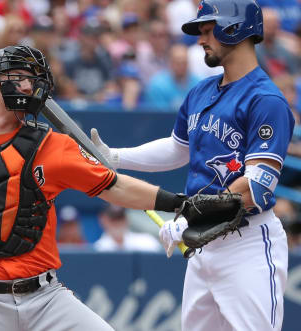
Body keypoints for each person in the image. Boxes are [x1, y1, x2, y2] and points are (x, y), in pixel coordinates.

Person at [0, 37, 191, 331]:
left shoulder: (53, 145)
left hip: (45, 298)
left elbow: (116, 187)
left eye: (32, 78)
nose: (30, 85)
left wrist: (181, 203)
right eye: (18, 76)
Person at [91, 1, 294, 330]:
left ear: (235, 27)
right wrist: (117, 157)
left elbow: (257, 184)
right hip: (204, 245)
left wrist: (191, 216)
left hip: (248, 244)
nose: (201, 39)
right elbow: (176, 149)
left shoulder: (265, 99)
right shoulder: (200, 92)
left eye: (207, 29)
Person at [93, 203, 161, 252]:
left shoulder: (147, 242)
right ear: (103, 220)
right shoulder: (98, 248)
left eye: (120, 218)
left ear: (126, 219)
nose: (117, 223)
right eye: (113, 219)